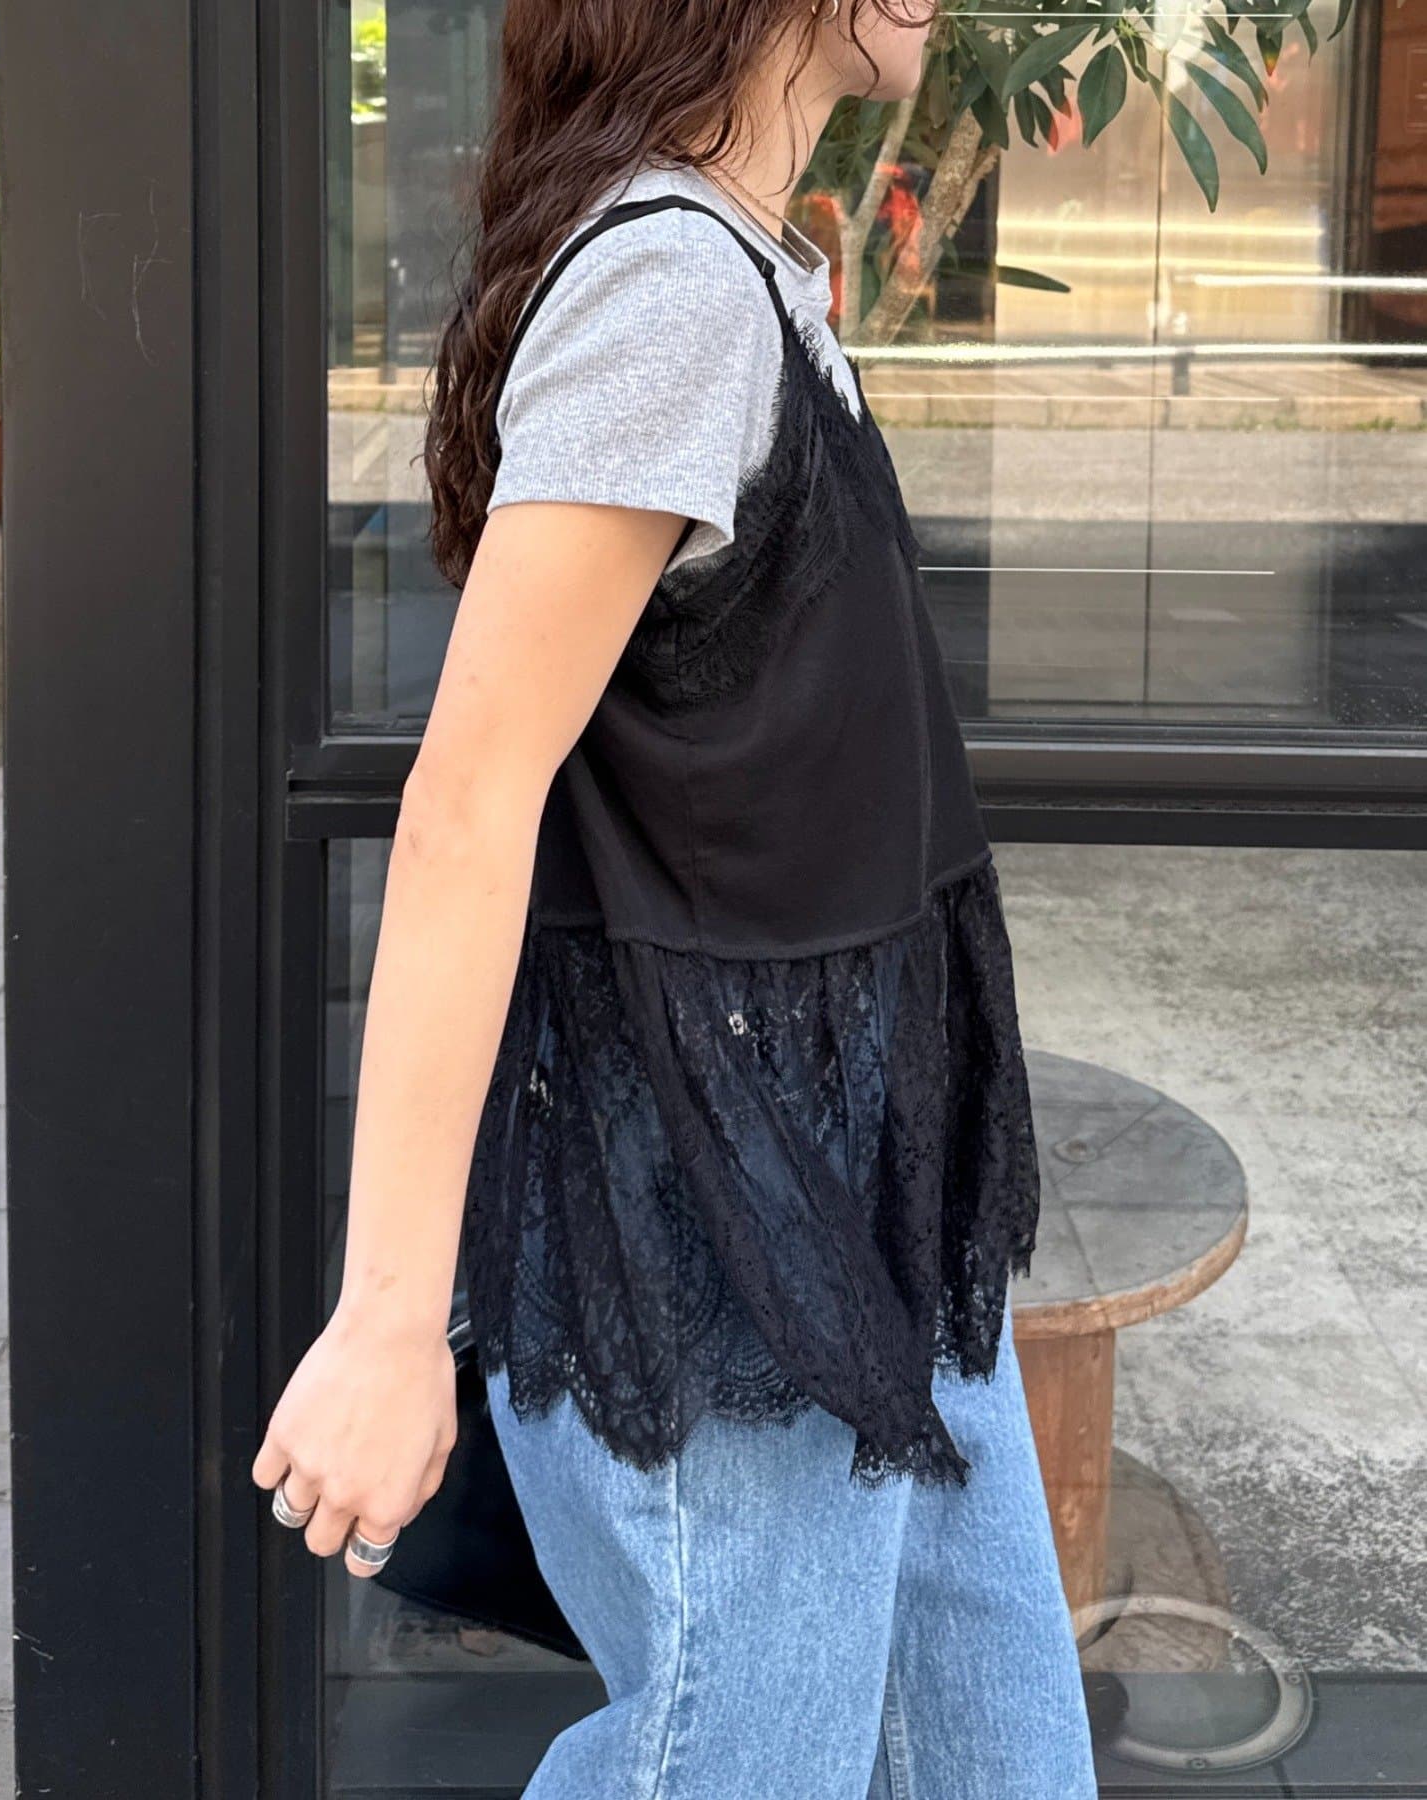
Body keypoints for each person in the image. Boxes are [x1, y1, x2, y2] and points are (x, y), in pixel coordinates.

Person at [253, 2, 1098, 1794]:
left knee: (996, 1753)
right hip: (720, 1224)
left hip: (864, 1184)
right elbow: (469, 806)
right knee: (735, 1759)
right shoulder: (672, 287)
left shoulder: (750, 271)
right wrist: (388, 1319)